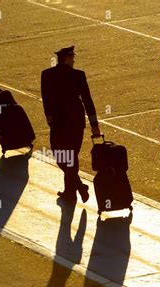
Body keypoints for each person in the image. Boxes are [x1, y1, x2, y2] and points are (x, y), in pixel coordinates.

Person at [41, 46, 101, 203]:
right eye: (73, 57)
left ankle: (71, 191)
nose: (74, 60)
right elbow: (87, 100)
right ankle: (78, 187)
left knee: (61, 157)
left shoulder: (47, 75)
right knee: (71, 157)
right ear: (67, 58)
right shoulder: (78, 75)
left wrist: (49, 118)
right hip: (76, 122)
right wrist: (94, 124)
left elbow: (46, 99)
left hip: (58, 123)